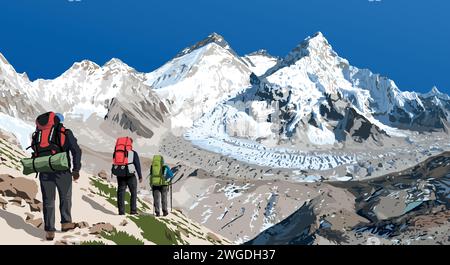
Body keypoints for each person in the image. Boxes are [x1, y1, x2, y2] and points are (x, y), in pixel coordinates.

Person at [31, 112, 82, 241]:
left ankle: (49, 231)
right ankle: (66, 223)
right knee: (65, 197)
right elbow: (76, 150)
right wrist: (76, 169)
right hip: (62, 170)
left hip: (44, 170)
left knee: (48, 201)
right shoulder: (64, 132)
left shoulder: (38, 133)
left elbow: (34, 148)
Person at [111, 137, 142, 215]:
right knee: (133, 192)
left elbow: (115, 162)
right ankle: (133, 211)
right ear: (130, 143)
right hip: (130, 174)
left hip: (120, 174)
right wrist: (140, 176)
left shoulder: (117, 151)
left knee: (121, 192)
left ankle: (121, 212)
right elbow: (137, 164)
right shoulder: (133, 153)